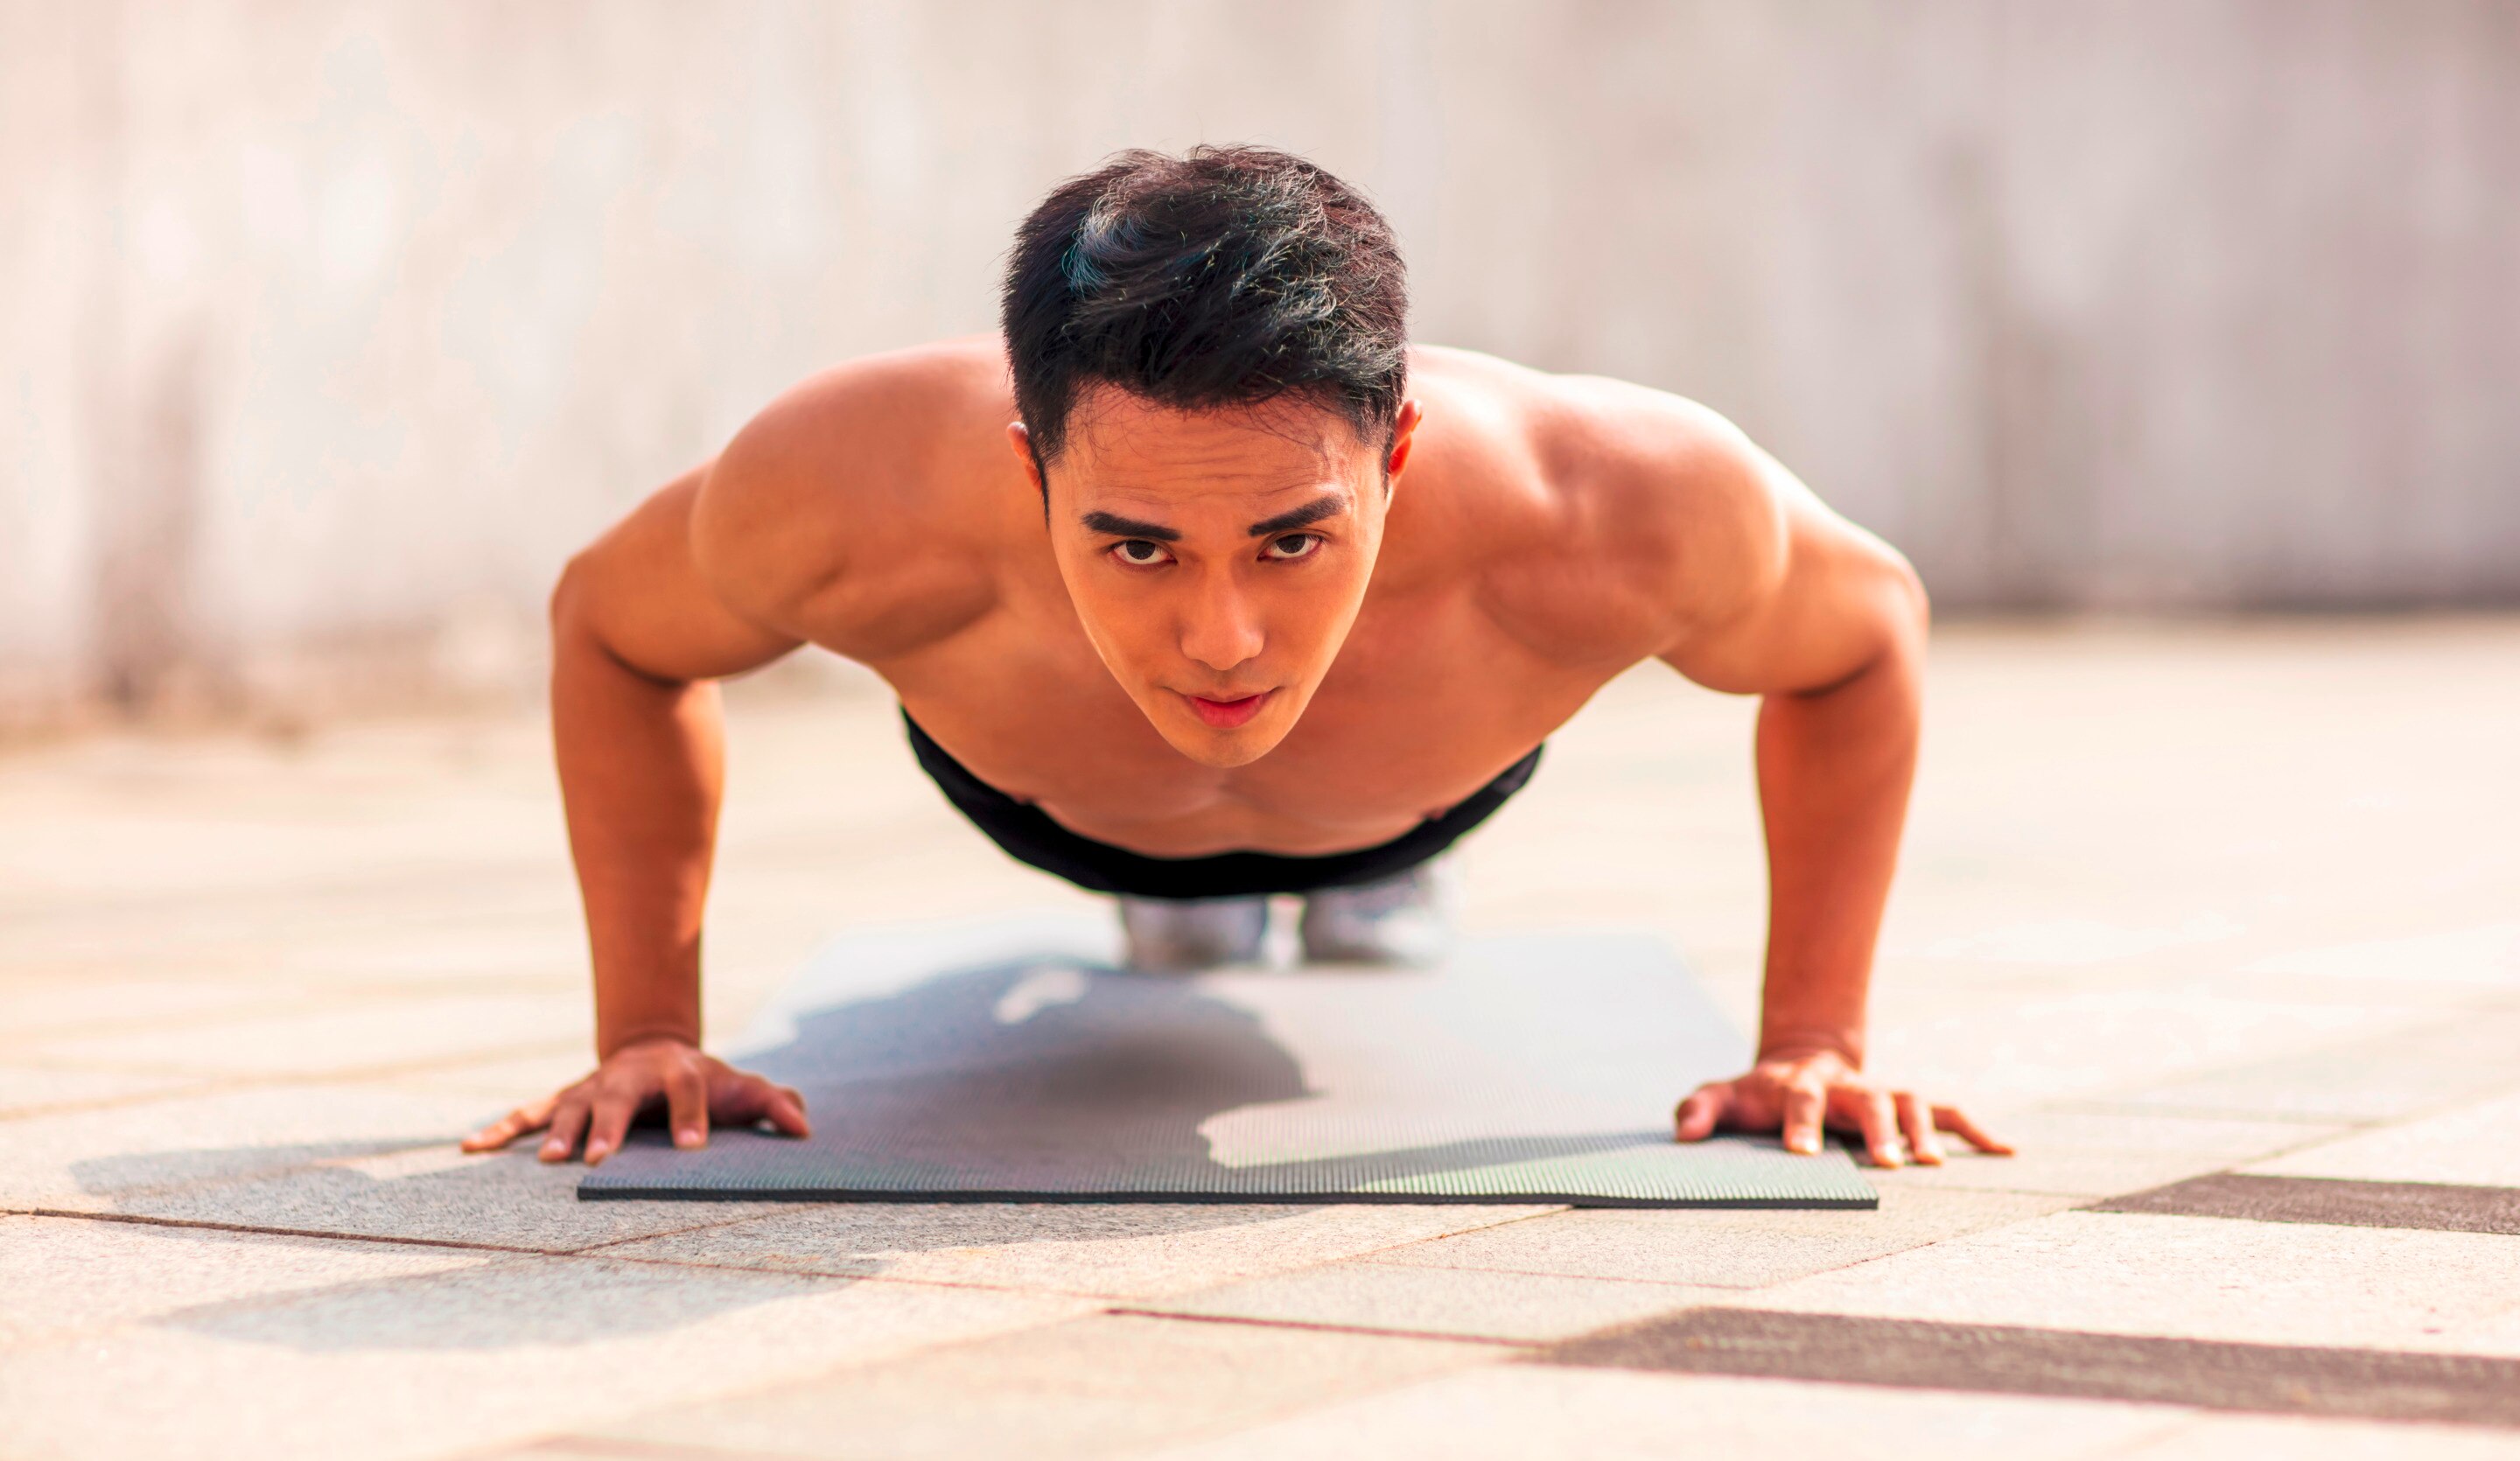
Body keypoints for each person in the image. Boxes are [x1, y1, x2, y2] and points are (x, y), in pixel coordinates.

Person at [461, 145, 2011, 1172]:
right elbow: (612, 626)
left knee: (1337, 839)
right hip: (1048, 790)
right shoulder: (845, 489)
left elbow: (1863, 635)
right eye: (1136, 543)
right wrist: (649, 1028)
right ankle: (1179, 901)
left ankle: (1367, 874)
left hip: (1416, 780)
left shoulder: (1618, 503)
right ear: (1031, 467)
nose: (1222, 639)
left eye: (1292, 539)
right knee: (1188, 852)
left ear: (1395, 455)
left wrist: (1816, 1036)